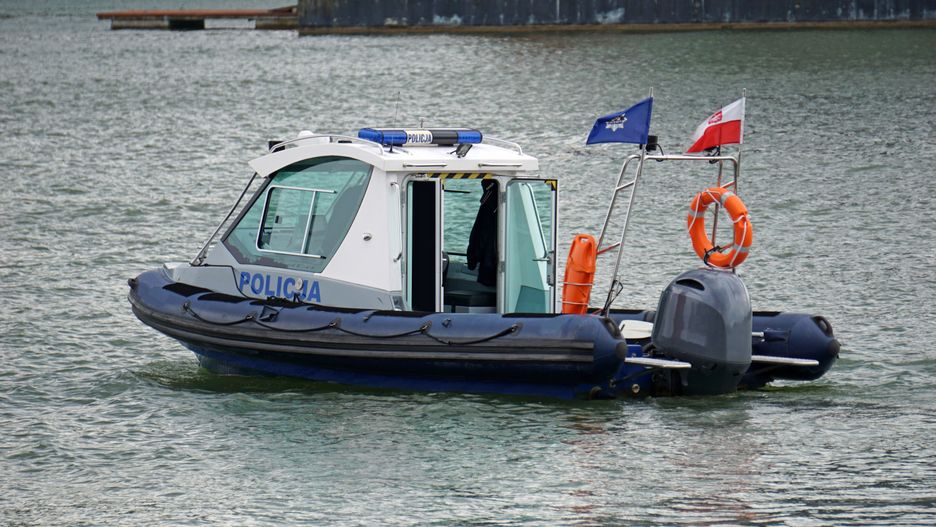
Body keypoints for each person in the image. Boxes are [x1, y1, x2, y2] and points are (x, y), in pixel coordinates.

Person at [467, 179, 498, 287]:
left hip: (490, 263)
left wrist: (472, 259)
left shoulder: (488, 203)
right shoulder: (495, 201)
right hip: (493, 263)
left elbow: (478, 233)